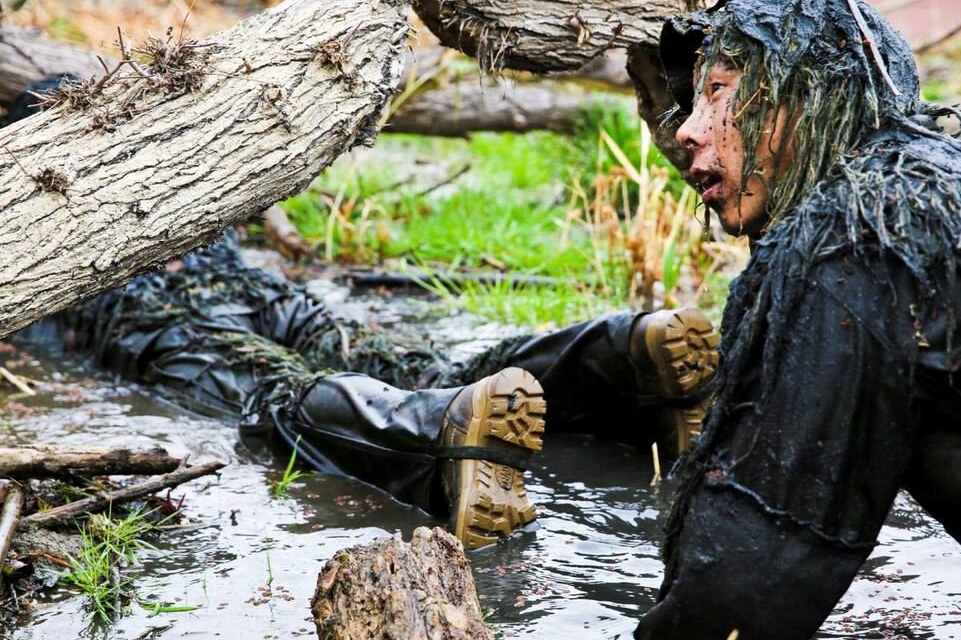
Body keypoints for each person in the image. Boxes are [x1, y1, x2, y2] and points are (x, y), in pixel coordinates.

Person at [633, 0, 961, 640]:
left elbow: (739, 597)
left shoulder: (847, 241)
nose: (686, 129)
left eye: (718, 90)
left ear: (807, 96)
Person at [14, 222, 719, 549]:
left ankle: (436, 432)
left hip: (146, 318)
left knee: (271, 393)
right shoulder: (155, 152)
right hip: (260, 286)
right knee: (417, 362)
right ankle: (618, 360)